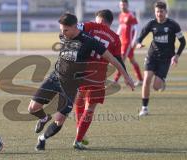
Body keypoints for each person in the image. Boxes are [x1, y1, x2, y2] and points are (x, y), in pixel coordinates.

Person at [28, 13, 135, 151]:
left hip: (71, 85)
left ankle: (42, 139)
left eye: (65, 30)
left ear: (74, 27)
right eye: (61, 29)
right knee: (32, 108)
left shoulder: (89, 41)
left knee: (59, 119)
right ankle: (43, 118)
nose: (62, 33)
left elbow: (113, 59)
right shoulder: (63, 35)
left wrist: (126, 76)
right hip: (55, 77)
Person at [73, 9, 127, 150]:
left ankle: (80, 134)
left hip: (81, 70)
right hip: (98, 76)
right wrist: (126, 76)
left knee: (79, 102)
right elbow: (118, 60)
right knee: (90, 108)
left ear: (101, 20)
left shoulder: (90, 26)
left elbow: (74, 28)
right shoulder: (115, 38)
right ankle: (78, 138)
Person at [136, 1, 186, 116]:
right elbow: (141, 36)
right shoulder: (151, 24)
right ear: (155, 12)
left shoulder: (173, 25)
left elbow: (183, 42)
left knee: (156, 86)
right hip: (152, 56)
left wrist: (176, 56)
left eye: (161, 11)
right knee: (146, 80)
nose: (159, 14)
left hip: (166, 59)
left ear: (166, 12)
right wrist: (139, 43)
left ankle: (161, 83)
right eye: (157, 11)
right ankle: (144, 108)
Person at [115, 0, 143, 86]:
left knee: (121, 61)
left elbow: (137, 28)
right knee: (132, 60)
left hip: (128, 42)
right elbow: (121, 27)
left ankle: (115, 80)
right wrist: (116, 36)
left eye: (124, 4)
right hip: (123, 42)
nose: (122, 6)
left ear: (127, 5)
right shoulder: (121, 15)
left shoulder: (130, 15)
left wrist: (134, 41)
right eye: (121, 4)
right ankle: (140, 79)